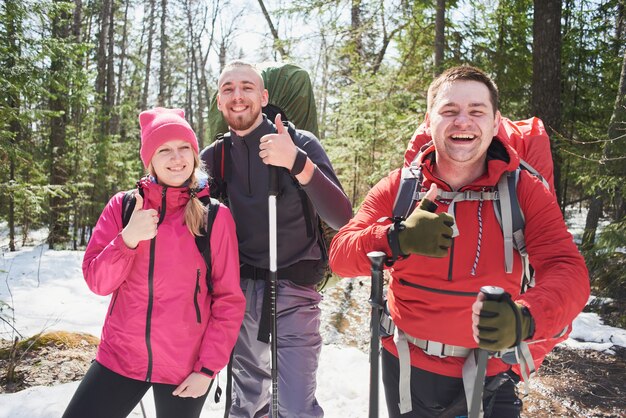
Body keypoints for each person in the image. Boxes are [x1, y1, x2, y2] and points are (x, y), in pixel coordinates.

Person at [328, 66, 590, 417]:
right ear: (429, 120)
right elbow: (340, 255)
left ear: (495, 123)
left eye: (476, 112)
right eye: (449, 111)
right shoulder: (400, 187)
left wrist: (524, 318)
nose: (463, 122)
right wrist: (396, 237)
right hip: (405, 367)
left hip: (492, 372)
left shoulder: (525, 191)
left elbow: (567, 269)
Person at [63, 107, 246, 418]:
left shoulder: (214, 217)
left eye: (184, 148)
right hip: (120, 357)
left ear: (194, 153)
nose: (177, 158)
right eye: (164, 150)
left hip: (185, 367)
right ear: (150, 159)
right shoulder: (122, 207)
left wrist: (207, 369)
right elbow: (97, 281)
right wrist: (127, 239)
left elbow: (228, 301)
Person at [200, 60, 352, 418]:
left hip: (294, 290)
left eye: (247, 88)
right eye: (228, 90)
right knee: (246, 404)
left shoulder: (300, 143)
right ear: (219, 103)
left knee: (295, 407)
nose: (238, 97)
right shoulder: (214, 157)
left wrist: (296, 162)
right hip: (238, 294)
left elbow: (342, 217)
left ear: (264, 96)